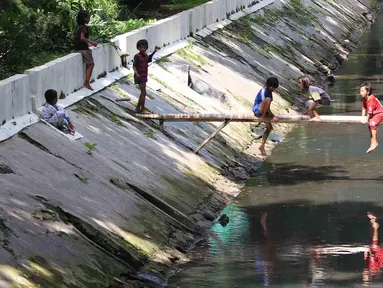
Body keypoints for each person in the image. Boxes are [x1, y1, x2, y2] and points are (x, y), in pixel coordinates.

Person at [252, 77, 280, 156]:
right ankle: (263, 117)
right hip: (258, 110)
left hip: (264, 110)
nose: (274, 89)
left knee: (269, 128)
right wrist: (273, 116)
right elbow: (266, 105)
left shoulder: (269, 91)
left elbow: (268, 107)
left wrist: (271, 115)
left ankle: (262, 146)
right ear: (269, 85)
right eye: (273, 87)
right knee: (267, 99)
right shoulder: (264, 92)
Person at [133, 39, 160, 113]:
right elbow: (134, 66)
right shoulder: (137, 56)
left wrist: (154, 51)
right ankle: (141, 109)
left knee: (143, 93)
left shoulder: (145, 56)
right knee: (143, 92)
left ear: (146, 48)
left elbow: (149, 59)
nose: (142, 49)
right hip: (139, 76)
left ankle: (139, 107)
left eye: (144, 47)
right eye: (141, 47)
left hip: (144, 76)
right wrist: (136, 73)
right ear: (138, 48)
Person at [73, 10, 98, 91]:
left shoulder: (77, 26)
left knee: (88, 63)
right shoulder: (84, 27)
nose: (89, 19)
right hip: (83, 48)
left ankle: (86, 81)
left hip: (77, 47)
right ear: (84, 18)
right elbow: (82, 38)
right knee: (91, 64)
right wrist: (92, 42)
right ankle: (86, 82)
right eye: (88, 17)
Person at [360, 82, 383, 153]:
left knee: (372, 123)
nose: (360, 92)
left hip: (380, 113)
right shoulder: (365, 99)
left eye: (362, 91)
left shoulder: (371, 98)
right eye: (360, 91)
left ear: (368, 92)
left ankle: (374, 143)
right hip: (375, 114)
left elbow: (369, 112)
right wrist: (362, 117)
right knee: (369, 125)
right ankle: (372, 142)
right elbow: (364, 108)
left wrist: (366, 119)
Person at [363, 212, 383, 282]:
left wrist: (365, 254)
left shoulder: (368, 269)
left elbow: (366, 260)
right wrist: (368, 249)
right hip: (378, 252)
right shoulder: (372, 269)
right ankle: (375, 226)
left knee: (371, 241)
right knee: (374, 245)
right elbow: (372, 255)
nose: (363, 274)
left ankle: (374, 221)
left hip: (378, 253)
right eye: (365, 276)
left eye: (364, 276)